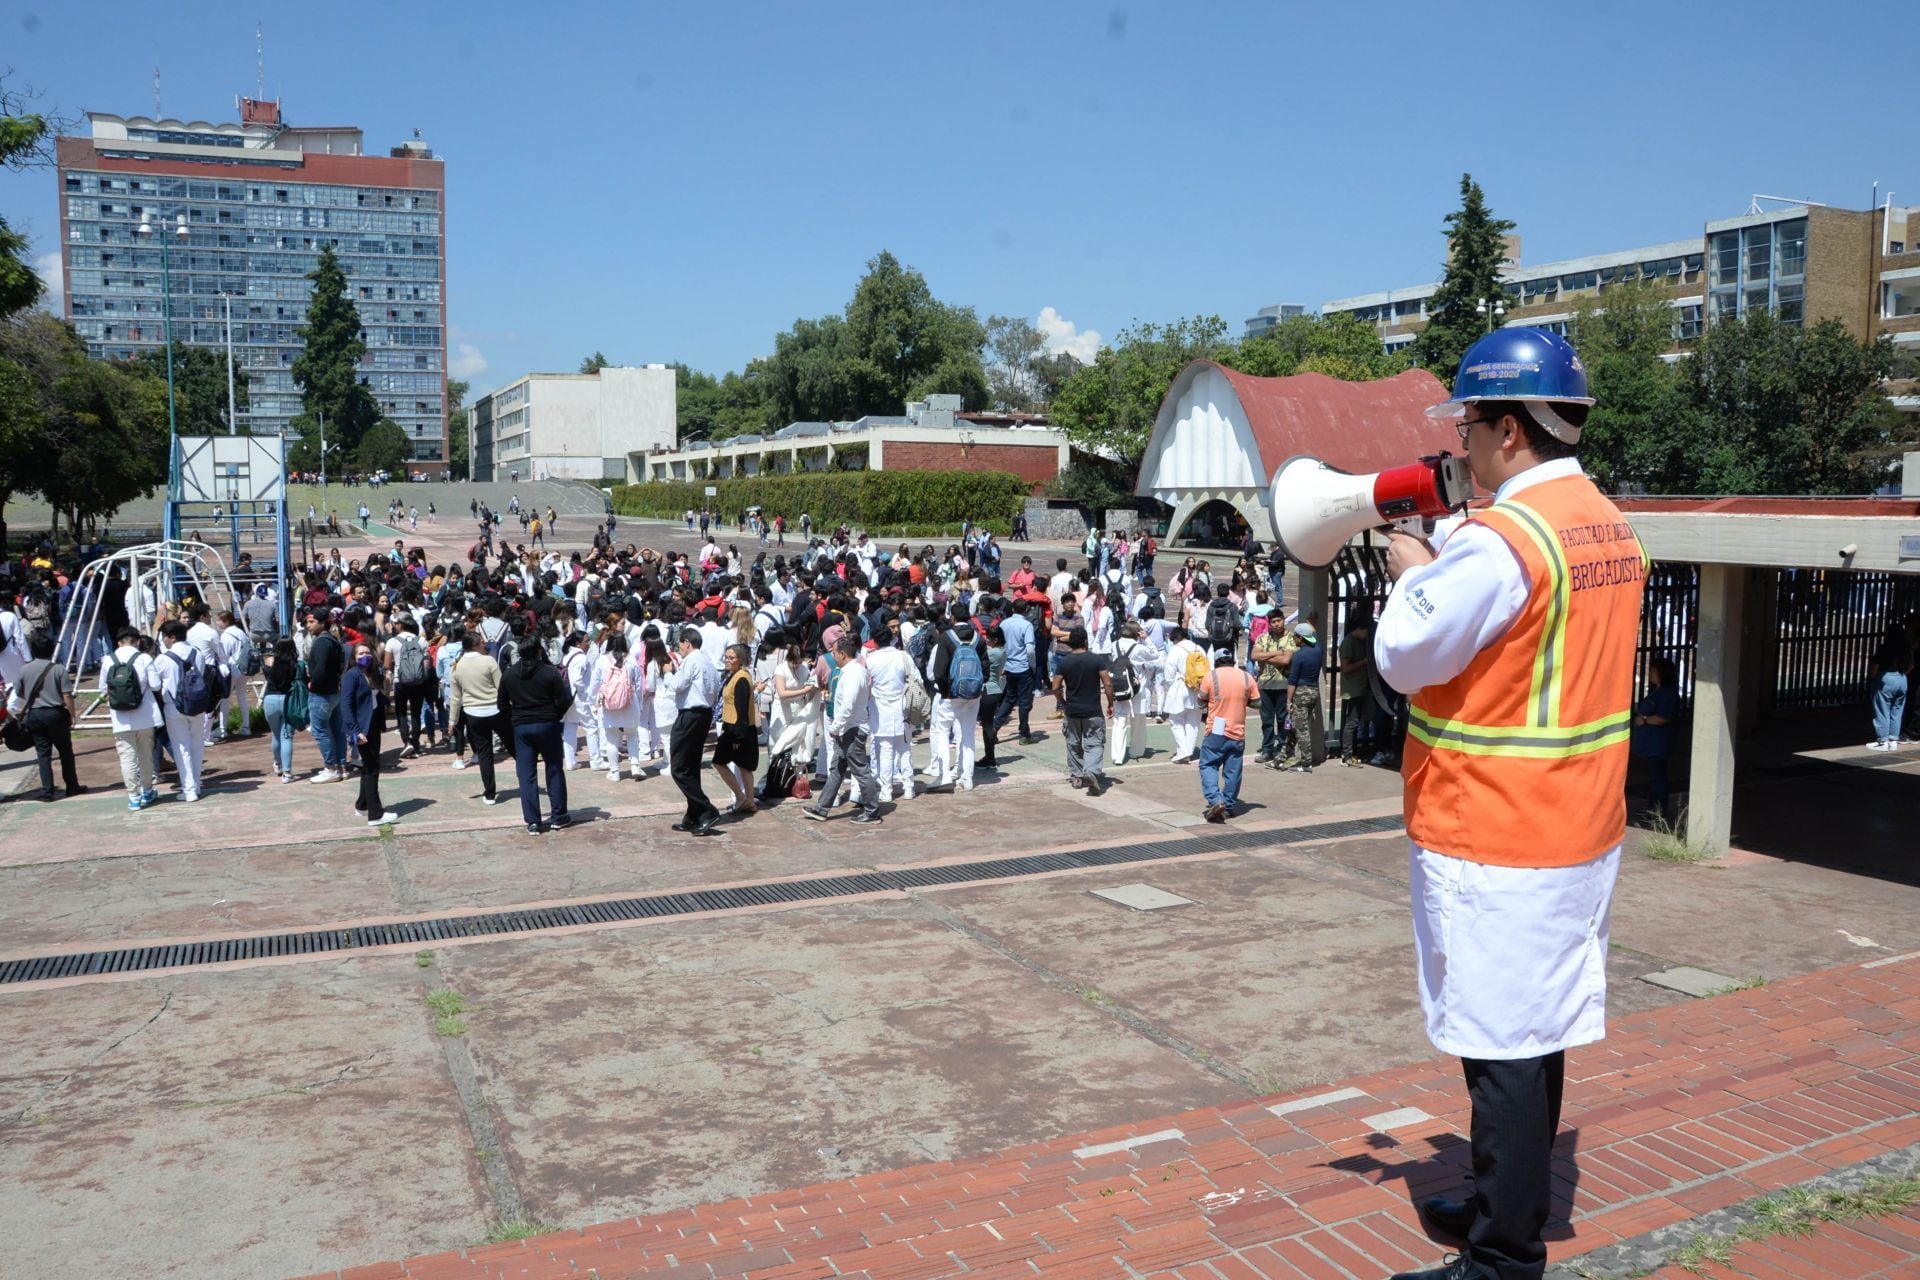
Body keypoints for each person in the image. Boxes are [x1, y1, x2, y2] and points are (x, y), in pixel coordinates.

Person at [1374, 328, 1646, 1280]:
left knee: (1500, 1051)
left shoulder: (1501, 542)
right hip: (1576, 823)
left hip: (1495, 827)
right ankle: (1505, 1204)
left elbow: (1405, 658)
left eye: (1472, 428)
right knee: (1540, 1031)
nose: (1464, 448)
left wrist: (1413, 571)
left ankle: (1501, 1257)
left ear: (1511, 433)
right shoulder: (1604, 523)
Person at [803, 633, 883, 824]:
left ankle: (872, 811)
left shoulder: (853, 674)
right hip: (848, 728)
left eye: (835, 653)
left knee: (861, 771)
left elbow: (847, 705)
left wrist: (836, 727)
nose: (833, 656)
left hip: (852, 729)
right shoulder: (853, 671)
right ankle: (821, 808)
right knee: (837, 769)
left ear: (842, 654)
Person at [500, 633, 573, 835]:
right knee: (554, 769)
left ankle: (533, 821)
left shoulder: (509, 674)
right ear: (539, 651)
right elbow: (564, 700)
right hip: (548, 723)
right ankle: (558, 816)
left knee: (526, 774)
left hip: (522, 727)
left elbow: (502, 705)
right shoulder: (550, 673)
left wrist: (515, 720)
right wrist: (554, 715)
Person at [8, 628, 83, 801]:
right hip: (55, 714)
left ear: (33, 651)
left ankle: (47, 791)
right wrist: (72, 715)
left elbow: (19, 693)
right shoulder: (59, 669)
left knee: (43, 754)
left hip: (34, 715)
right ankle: (72, 786)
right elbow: (66, 695)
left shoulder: (24, 670)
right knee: (65, 751)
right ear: (50, 650)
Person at [664, 627, 721, 836]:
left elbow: (678, 685)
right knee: (691, 766)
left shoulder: (692, 660)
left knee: (679, 767)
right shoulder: (709, 663)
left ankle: (706, 809)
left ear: (687, 642)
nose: (679, 648)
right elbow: (715, 689)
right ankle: (693, 814)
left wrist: (668, 673)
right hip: (703, 714)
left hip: (690, 714)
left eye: (680, 644)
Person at [100, 626, 160, 808]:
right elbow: (156, 685)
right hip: (145, 715)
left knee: (127, 757)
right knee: (145, 755)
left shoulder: (108, 660)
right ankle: (147, 791)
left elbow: (103, 689)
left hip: (120, 717)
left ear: (118, 642)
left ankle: (133, 796)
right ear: (138, 641)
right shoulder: (143, 658)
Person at [342, 642, 401, 827]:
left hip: (374, 724)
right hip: (362, 728)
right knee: (372, 769)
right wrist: (355, 731)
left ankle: (362, 805)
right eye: (360, 654)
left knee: (368, 767)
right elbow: (346, 704)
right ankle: (376, 814)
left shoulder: (373, 673)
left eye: (367, 652)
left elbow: (373, 695)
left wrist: (386, 700)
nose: (364, 656)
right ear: (354, 657)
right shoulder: (352, 676)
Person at [1196, 650, 1259, 822]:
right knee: (1233, 771)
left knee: (1208, 765)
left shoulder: (1211, 677)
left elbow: (1200, 701)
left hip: (1216, 729)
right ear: (1232, 661)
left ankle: (1216, 800)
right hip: (1237, 731)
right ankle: (1229, 806)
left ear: (1216, 662)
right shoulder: (1246, 677)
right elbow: (1258, 702)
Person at [1051, 625, 1114, 796]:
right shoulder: (1096, 660)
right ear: (1086, 641)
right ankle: (1092, 771)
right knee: (1094, 744)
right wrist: (1110, 702)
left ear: (1070, 643)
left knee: (1074, 744)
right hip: (1093, 710)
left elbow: (1055, 687)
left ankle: (1077, 776)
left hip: (1072, 711)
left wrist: (1062, 702)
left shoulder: (1064, 662)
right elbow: (1107, 683)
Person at [449, 632, 510, 806]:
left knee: (485, 755)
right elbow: (501, 687)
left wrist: (452, 721)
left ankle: (489, 793)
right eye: (482, 642)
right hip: (496, 710)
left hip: (473, 714)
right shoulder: (489, 661)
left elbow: (456, 698)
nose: (485, 645)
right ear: (475, 644)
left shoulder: (457, 666)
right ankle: (528, 780)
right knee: (514, 747)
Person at [152, 619, 208, 803]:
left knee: (181, 748)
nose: (163, 640)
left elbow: (156, 683)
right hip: (198, 705)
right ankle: (197, 785)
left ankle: (189, 789)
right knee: (197, 745)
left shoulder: (163, 658)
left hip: (174, 707)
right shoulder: (197, 653)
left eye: (164, 637)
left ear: (172, 637)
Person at [711, 642, 759, 815]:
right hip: (734, 727)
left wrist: (739, 737)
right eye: (726, 657)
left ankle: (741, 797)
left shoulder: (741, 679)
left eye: (732, 658)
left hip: (737, 730)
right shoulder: (735, 675)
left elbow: (741, 710)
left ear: (741, 660)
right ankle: (749, 801)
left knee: (720, 762)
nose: (728, 660)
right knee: (743, 765)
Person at [1631, 657, 1680, 821]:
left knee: (1658, 778)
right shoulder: (1657, 691)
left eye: (1653, 671)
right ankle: (1652, 808)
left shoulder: (1667, 694)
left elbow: (1663, 717)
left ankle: (1657, 811)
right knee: (1655, 777)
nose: (1650, 674)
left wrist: (1644, 720)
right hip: (1651, 744)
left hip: (1658, 744)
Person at [303, 610, 347, 782]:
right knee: (337, 731)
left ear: (322, 623)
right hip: (334, 692)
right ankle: (341, 766)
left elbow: (320, 668)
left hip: (322, 694)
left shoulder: (322, 642)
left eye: (311, 622)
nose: (308, 626)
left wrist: (313, 683)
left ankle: (331, 768)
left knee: (320, 731)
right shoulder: (333, 640)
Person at [1280, 621, 1325, 772]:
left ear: (1300, 638)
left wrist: (1288, 701)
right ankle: (1282, 757)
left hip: (1301, 692)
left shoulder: (1299, 656)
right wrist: (1311, 623)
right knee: (1295, 726)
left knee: (1301, 729)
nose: (1294, 639)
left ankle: (1306, 762)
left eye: (1295, 637)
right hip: (1313, 691)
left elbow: (1292, 681)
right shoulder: (1318, 650)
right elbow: (1314, 635)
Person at [1250, 608, 1290, 764]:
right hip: (1265, 684)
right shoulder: (1263, 638)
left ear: (1283, 620)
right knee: (1266, 720)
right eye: (1273, 622)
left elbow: (1286, 661)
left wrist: (1265, 657)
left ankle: (1282, 748)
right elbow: (1254, 655)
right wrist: (1276, 654)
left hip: (1283, 684)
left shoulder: (1291, 639)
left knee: (1282, 719)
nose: (1276, 624)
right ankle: (1267, 749)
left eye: (1279, 620)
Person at [1161, 626, 1206, 763]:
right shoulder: (1200, 648)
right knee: (1194, 722)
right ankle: (1189, 751)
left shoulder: (1176, 649)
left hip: (1180, 685)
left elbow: (1169, 673)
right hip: (1199, 687)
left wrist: (1171, 685)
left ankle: (1183, 751)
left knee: (1176, 719)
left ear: (1175, 638)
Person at [1867, 621, 1912, 752]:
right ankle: (1893, 740)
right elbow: (1911, 665)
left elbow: (1875, 666)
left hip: (1886, 678)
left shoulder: (1884, 647)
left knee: (1882, 710)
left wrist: (1873, 678)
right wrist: (1902, 675)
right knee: (1897, 710)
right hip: (1902, 679)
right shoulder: (1906, 648)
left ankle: (1883, 740)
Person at [261, 637, 301, 783]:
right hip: (288, 699)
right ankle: (287, 773)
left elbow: (267, 674)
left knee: (276, 734)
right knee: (287, 736)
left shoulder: (269, 661)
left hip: (270, 699)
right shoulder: (295, 664)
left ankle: (277, 764)